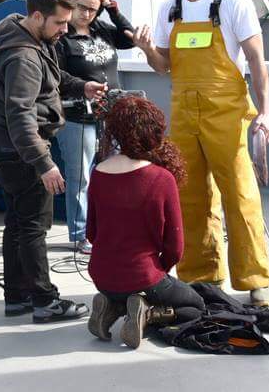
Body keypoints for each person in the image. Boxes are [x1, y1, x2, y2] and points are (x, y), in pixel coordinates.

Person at [130, 0, 269, 306]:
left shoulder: (232, 2)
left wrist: (266, 114)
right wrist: (147, 50)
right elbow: (164, 67)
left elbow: (257, 61)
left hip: (227, 112)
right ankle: (201, 277)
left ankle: (255, 279)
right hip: (184, 114)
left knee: (240, 196)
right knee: (189, 196)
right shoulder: (169, 10)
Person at [0, 0, 106, 323]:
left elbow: (51, 75)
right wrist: (44, 164)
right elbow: (20, 115)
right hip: (23, 147)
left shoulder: (22, 35)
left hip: (8, 146)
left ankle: (17, 297)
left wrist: (82, 85)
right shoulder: (23, 57)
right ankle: (44, 301)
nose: (65, 29)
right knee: (35, 225)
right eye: (59, 23)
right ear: (37, 16)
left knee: (17, 222)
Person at [86, 95, 205, 349]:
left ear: (115, 131)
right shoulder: (162, 178)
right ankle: (146, 314)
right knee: (196, 307)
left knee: (123, 287)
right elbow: (175, 247)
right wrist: (156, 270)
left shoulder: (98, 172)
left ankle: (112, 306)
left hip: (101, 274)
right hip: (143, 275)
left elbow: (91, 233)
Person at [53, 0, 143, 254]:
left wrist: (114, 12)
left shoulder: (102, 29)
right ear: (71, 3)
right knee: (80, 176)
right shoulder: (62, 37)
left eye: (93, 9)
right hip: (78, 115)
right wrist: (83, 88)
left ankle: (109, 226)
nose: (86, 14)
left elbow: (130, 38)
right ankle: (80, 234)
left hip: (112, 113)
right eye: (81, 7)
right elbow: (57, 75)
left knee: (114, 173)